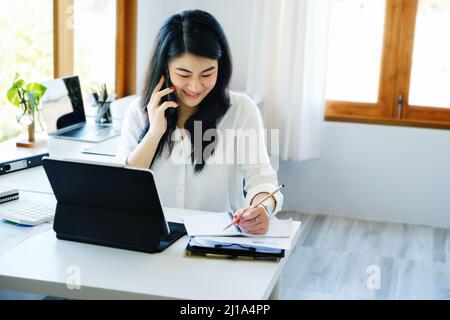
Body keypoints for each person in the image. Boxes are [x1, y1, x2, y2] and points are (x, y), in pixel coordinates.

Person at [116, 10, 283, 235]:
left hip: (218, 240)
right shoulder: (138, 112)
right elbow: (123, 188)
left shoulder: (241, 110)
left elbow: (262, 179)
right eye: (184, 74)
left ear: (220, 67)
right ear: (165, 68)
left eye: (207, 73)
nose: (195, 86)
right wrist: (154, 134)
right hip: (152, 241)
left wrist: (262, 207)